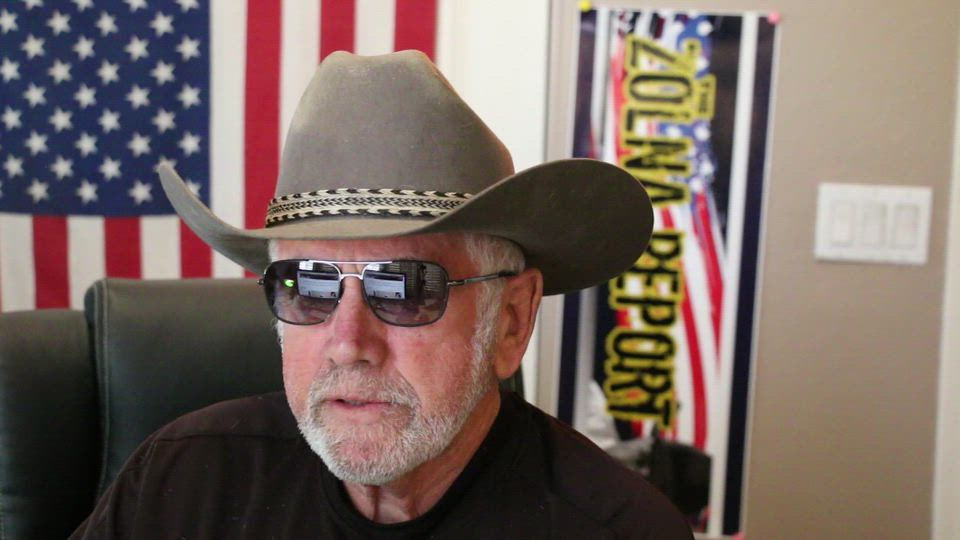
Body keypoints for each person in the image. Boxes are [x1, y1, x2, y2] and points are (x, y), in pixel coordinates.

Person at [71, 50, 693, 539]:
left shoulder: (618, 530)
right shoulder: (180, 484)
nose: (348, 344)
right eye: (308, 286)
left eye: (404, 289)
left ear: (511, 319)